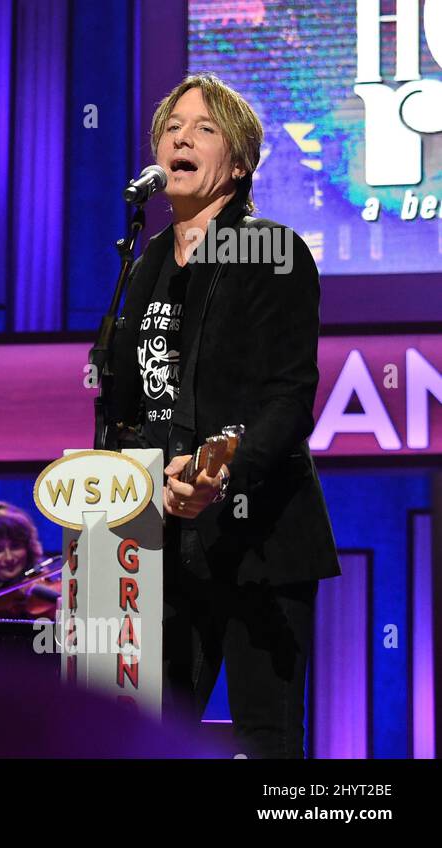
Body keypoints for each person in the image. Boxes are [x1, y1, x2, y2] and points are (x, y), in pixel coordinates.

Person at [108, 73, 340, 758]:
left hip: (259, 537)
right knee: (152, 737)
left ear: (238, 164)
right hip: (162, 540)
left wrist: (218, 472)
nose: (180, 136)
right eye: (171, 127)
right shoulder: (145, 263)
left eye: (203, 128)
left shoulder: (269, 250)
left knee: (267, 739)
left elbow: (287, 400)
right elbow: (132, 408)